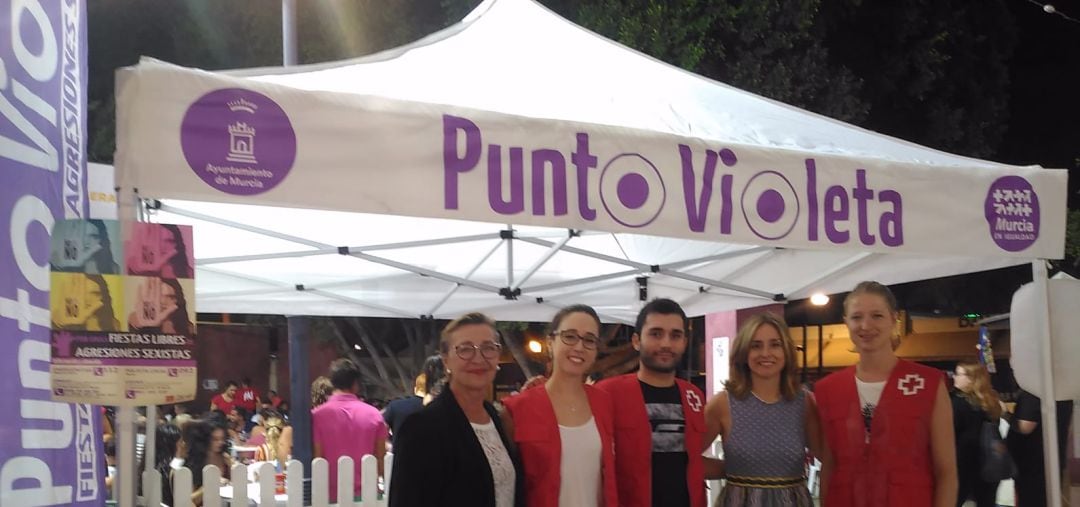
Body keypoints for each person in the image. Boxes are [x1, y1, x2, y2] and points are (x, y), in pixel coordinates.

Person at [816, 281, 957, 507]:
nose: (866, 325)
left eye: (877, 316)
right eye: (856, 317)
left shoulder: (927, 384)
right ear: (846, 322)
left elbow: (946, 472)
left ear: (894, 319)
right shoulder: (828, 389)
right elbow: (830, 466)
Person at [389, 312, 523, 507]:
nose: (478, 359)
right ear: (446, 360)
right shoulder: (422, 427)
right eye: (465, 349)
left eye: (488, 348)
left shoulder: (496, 418)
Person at [595, 298, 714, 507]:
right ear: (636, 341)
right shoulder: (607, 393)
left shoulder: (694, 396)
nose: (666, 344)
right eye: (656, 334)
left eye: (675, 335)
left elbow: (693, 461)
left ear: (684, 342)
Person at [502, 304, 618, 507]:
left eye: (589, 340)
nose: (579, 347)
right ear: (551, 342)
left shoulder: (605, 403)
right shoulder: (517, 409)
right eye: (570, 336)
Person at [704, 312, 819, 506]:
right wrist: (731, 468)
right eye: (755, 346)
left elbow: (829, 457)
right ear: (743, 352)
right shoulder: (722, 403)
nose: (766, 353)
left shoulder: (804, 402)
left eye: (775, 344)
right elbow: (685, 459)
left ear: (786, 351)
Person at [311, 358, 388, 502]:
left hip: (330, 496)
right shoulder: (374, 415)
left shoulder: (317, 416)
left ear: (332, 383)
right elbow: (381, 458)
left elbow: (317, 456)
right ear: (355, 384)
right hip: (368, 496)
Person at [1006, 389, 1074, 507]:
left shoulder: (1033, 392)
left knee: (1031, 499)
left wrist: (1004, 412)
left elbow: (1025, 426)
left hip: (1032, 462)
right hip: (1054, 458)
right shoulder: (1064, 393)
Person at [950, 361, 1003, 507]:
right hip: (989, 460)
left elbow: (950, 432)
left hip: (963, 462)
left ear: (971, 379)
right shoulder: (991, 402)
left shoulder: (957, 403)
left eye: (958, 374)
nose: (954, 377)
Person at [182, 419, 231, 506]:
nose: (220, 442)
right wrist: (209, 485)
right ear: (205, 439)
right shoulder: (195, 462)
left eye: (222, 439)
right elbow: (188, 500)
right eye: (215, 439)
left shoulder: (225, 458)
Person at [51, 219, 120, 274]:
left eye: (92, 236)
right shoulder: (55, 265)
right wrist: (70, 267)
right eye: (82, 236)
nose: (86, 242)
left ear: (101, 240)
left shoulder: (112, 269)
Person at [383, 373, 426, 443]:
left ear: (415, 389)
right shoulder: (438, 409)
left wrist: (391, 441)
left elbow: (382, 430)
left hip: (400, 448)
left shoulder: (395, 406)